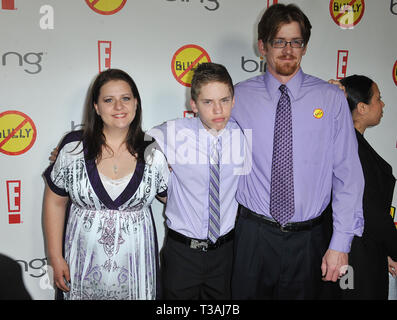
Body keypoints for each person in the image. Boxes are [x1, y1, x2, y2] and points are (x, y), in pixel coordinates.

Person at [230, 3, 364, 299]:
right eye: (279, 41)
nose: (288, 49)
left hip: (311, 241)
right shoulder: (237, 97)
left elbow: (348, 175)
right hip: (253, 236)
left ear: (304, 47)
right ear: (262, 46)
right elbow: (209, 149)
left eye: (296, 42)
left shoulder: (331, 100)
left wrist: (341, 243)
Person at [43, 69, 169, 300]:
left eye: (126, 98)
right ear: (96, 107)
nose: (119, 107)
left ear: (136, 103)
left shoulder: (154, 151)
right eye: (109, 100)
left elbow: (172, 198)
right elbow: (55, 202)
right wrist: (55, 257)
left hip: (137, 275)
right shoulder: (73, 149)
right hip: (81, 268)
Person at [148, 62, 248, 299]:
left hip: (226, 253)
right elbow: (127, 145)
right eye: (207, 102)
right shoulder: (172, 132)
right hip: (182, 253)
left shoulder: (244, 134)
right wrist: (78, 145)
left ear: (233, 101)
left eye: (224, 100)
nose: (218, 110)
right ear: (193, 105)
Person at [325, 75, 397, 299]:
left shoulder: (354, 144)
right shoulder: (352, 149)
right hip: (356, 253)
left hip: (366, 251)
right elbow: (371, 210)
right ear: (362, 108)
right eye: (378, 99)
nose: (383, 104)